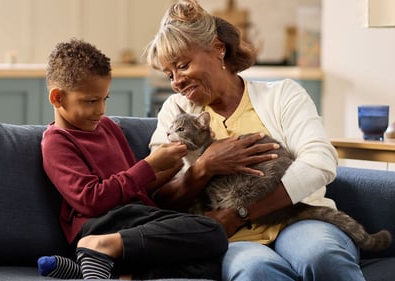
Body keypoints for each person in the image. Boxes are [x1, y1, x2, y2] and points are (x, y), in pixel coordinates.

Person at [145, 0, 366, 280]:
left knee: (320, 254)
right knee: (255, 270)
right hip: (236, 240)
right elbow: (157, 196)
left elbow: (320, 162)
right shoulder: (175, 112)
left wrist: (240, 213)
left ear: (217, 49)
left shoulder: (282, 95)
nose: (176, 81)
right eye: (169, 74)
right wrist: (204, 167)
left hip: (297, 218)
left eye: (183, 66)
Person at [37, 38, 228, 280]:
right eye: (91, 101)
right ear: (57, 98)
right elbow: (90, 200)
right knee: (213, 231)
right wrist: (148, 165)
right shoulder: (57, 142)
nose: (101, 110)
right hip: (99, 223)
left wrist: (170, 166)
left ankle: (100, 270)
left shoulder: (107, 127)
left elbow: (133, 186)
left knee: (212, 263)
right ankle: (99, 247)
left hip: (134, 219)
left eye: (105, 99)